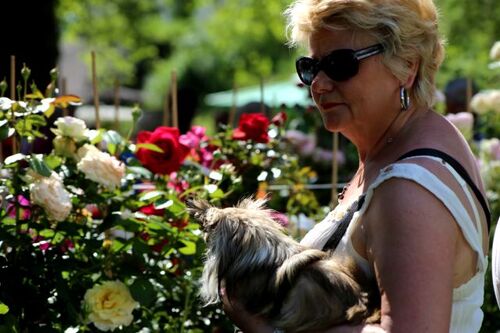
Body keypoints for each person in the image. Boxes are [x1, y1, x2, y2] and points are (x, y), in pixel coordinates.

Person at [221, 1, 491, 332]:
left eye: (339, 64)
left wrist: (266, 326)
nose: (317, 84)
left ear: (407, 66)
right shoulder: (401, 149)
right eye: (310, 66)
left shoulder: (410, 188)